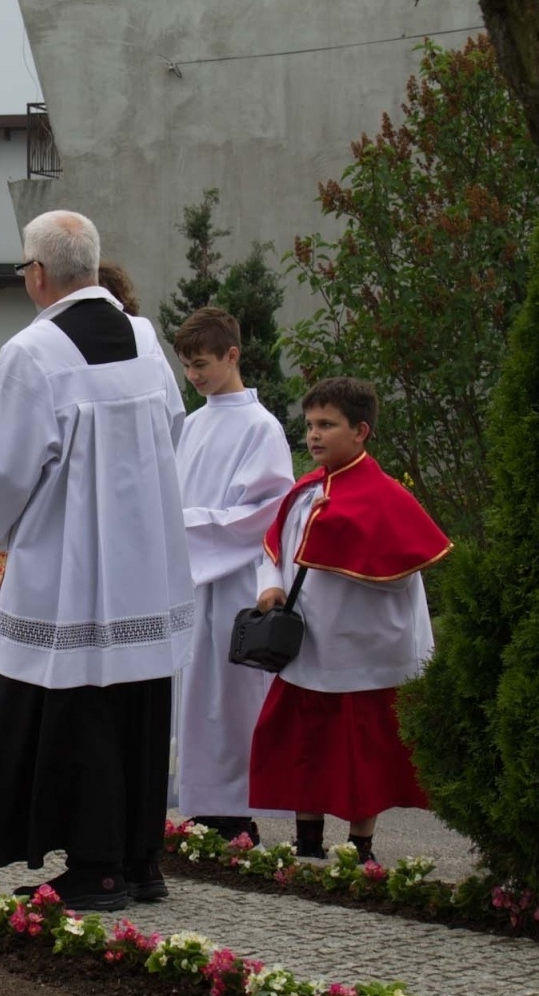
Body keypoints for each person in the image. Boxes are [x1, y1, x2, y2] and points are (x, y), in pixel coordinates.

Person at [0, 210, 193, 911]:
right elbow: (173, 428)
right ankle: (140, 860)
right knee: (137, 700)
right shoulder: (145, 337)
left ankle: (96, 869)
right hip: (144, 564)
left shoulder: (31, 352)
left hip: (68, 569)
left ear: (37, 273)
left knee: (78, 703)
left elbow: (1, 470)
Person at [249, 377, 450, 864]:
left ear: (361, 431)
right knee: (304, 747)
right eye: (309, 425)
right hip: (307, 647)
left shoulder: (387, 497)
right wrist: (270, 585)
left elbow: (400, 576)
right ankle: (307, 842)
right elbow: (273, 548)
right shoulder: (305, 491)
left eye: (327, 425)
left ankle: (361, 847)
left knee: (364, 756)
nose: (313, 435)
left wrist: (340, 536)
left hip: (362, 652)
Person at [170, 307, 294, 843]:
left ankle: (236, 811)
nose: (193, 375)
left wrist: (182, 526)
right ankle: (201, 804)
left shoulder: (261, 427)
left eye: (201, 364)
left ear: (232, 355)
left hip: (235, 577)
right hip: (190, 578)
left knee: (230, 696)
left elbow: (265, 511)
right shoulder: (192, 424)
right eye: (187, 366)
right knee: (194, 696)